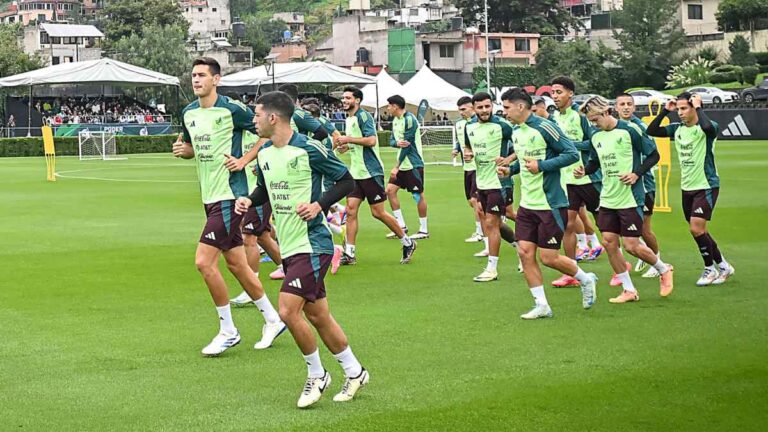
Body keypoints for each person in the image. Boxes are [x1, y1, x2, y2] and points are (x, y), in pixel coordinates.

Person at [235, 91, 369, 409]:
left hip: (314, 244)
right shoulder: (265, 152)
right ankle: (354, 371)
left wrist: (317, 205)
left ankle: (317, 375)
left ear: (273, 117)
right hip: (291, 245)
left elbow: (346, 181)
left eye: (256, 115)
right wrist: (249, 201)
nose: (253, 120)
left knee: (286, 312)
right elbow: (265, 188)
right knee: (318, 315)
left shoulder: (309, 148)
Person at [172, 57, 284, 356]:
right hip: (208, 197)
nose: (196, 80)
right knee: (236, 264)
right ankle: (273, 319)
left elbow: (269, 134)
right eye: (193, 75)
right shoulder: (188, 113)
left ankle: (228, 330)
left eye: (202, 75)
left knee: (203, 262)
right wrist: (185, 151)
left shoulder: (232, 109)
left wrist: (245, 160)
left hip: (230, 196)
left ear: (216, 80)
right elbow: (192, 150)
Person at [499, 88, 597, 319]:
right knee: (524, 252)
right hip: (527, 205)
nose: (503, 112)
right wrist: (510, 170)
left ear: (520, 106)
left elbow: (572, 153)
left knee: (549, 257)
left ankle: (585, 279)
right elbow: (525, 163)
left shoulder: (545, 127)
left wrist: (542, 165)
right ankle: (542, 305)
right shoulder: (516, 131)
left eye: (506, 107)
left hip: (551, 204)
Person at [576, 96, 674, 302]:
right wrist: (584, 171)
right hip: (607, 197)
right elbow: (594, 163)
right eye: (591, 121)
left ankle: (663, 269)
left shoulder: (630, 130)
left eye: (595, 119)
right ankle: (629, 289)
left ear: (606, 112)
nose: (594, 124)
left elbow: (653, 155)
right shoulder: (596, 136)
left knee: (631, 245)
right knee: (609, 243)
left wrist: (636, 174)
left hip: (630, 197)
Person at [647, 92, 734, 285]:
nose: (680, 112)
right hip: (687, 187)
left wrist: (700, 106)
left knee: (696, 228)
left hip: (706, 185)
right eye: (678, 109)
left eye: (684, 108)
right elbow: (651, 131)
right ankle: (723, 265)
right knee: (699, 230)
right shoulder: (677, 129)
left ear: (694, 108)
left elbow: (707, 126)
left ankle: (709, 269)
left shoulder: (707, 128)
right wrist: (664, 112)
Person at [335, 87, 417, 265]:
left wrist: (348, 140)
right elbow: (358, 142)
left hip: (371, 172)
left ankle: (407, 242)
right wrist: (346, 147)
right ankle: (350, 253)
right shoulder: (349, 119)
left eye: (348, 98)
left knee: (377, 213)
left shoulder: (363, 116)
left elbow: (371, 140)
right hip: (356, 172)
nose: (344, 100)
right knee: (350, 210)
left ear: (357, 100)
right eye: (343, 98)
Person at [550, 77, 605, 288]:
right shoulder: (555, 116)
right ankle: (572, 271)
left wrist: (568, 145)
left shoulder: (580, 115)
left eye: (559, 92)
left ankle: (624, 263)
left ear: (570, 93)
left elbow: (593, 141)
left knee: (606, 227)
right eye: (553, 92)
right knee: (567, 225)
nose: (555, 96)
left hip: (588, 177)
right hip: (567, 180)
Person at [229, 130, 286, 306]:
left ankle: (251, 289)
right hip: (247, 194)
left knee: (249, 237)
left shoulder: (262, 133)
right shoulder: (237, 134)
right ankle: (286, 268)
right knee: (263, 236)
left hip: (259, 193)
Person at [462, 92, 514, 282]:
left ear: (492, 106)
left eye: (487, 106)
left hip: (499, 182)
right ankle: (521, 247)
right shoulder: (470, 127)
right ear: (473, 108)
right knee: (496, 223)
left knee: (491, 224)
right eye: (480, 107)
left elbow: (521, 146)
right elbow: (468, 147)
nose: (484, 110)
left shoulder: (503, 126)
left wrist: (507, 160)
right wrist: (468, 154)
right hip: (481, 180)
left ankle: (492, 269)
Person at [615, 93, 663, 278]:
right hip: (623, 185)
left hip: (643, 184)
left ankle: (657, 259)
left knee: (644, 228)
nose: (626, 107)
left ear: (634, 108)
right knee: (623, 226)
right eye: (622, 104)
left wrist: (638, 174)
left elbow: (652, 155)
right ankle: (644, 252)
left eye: (629, 104)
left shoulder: (640, 127)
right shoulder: (615, 127)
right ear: (616, 107)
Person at [385, 95, 429, 240]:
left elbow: (407, 147)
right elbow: (393, 141)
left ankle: (423, 229)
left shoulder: (409, 120)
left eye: (389, 106)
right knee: (390, 191)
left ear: (395, 106)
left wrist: (396, 166)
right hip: (402, 165)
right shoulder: (395, 121)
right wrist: (396, 143)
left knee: (418, 195)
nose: (388, 108)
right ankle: (401, 226)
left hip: (413, 164)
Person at [452, 96, 485, 247]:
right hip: (467, 167)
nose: (461, 112)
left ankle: (480, 232)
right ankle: (489, 222)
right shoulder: (459, 124)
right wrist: (456, 149)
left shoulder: (477, 124)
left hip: (477, 167)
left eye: (464, 109)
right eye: (459, 110)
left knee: (475, 201)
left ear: (472, 107)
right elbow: (462, 141)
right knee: (471, 202)